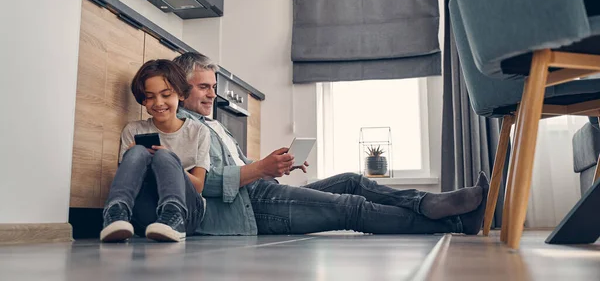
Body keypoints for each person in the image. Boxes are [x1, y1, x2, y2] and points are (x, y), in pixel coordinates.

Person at [173, 52, 489, 236]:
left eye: (213, 86)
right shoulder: (181, 130)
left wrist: (276, 165)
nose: (213, 93)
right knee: (351, 208)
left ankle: (429, 203)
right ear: (180, 89)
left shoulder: (214, 125)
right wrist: (259, 169)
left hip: (260, 192)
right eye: (204, 87)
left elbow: (242, 167)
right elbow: (198, 185)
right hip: (250, 210)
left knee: (351, 181)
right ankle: (457, 220)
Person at [100, 60, 211, 243]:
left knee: (164, 155)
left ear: (181, 94)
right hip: (145, 211)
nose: (158, 103)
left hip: (188, 213)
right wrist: (132, 158)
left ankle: (173, 216)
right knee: (136, 152)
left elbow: (198, 185)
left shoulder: (198, 132)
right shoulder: (133, 130)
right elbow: (125, 182)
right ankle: (116, 214)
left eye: (166, 94)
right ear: (143, 99)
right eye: (150, 97)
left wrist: (172, 161)